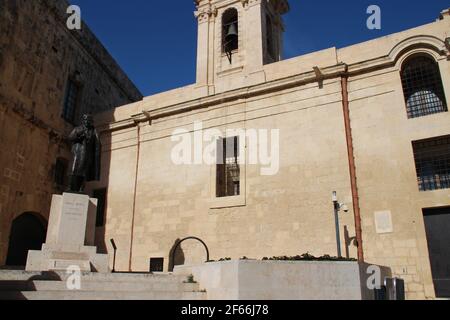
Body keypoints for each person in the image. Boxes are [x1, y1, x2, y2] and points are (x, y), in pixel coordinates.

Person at [67, 114, 101, 193]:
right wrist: (79, 137)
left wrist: (94, 157)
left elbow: (97, 144)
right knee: (73, 170)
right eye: (86, 120)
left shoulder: (94, 131)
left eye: (89, 120)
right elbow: (70, 138)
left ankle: (81, 189)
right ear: (83, 120)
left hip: (87, 155)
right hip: (77, 153)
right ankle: (69, 187)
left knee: (84, 173)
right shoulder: (78, 129)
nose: (87, 122)